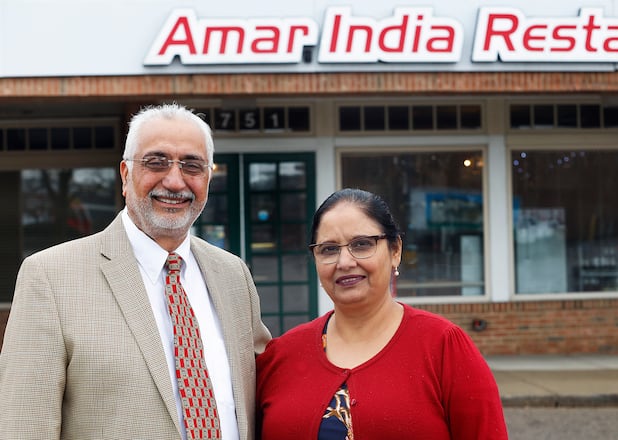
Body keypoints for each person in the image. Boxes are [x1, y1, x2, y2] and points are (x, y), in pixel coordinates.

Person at [0, 103, 272, 439]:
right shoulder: (50, 278)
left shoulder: (232, 275)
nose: (174, 181)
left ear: (208, 178)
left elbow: (271, 390)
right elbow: (25, 425)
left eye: (192, 165)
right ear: (126, 176)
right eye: (156, 162)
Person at [256, 188, 508, 439]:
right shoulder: (281, 356)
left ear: (395, 250)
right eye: (329, 249)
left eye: (362, 244)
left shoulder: (443, 347)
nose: (344, 262)